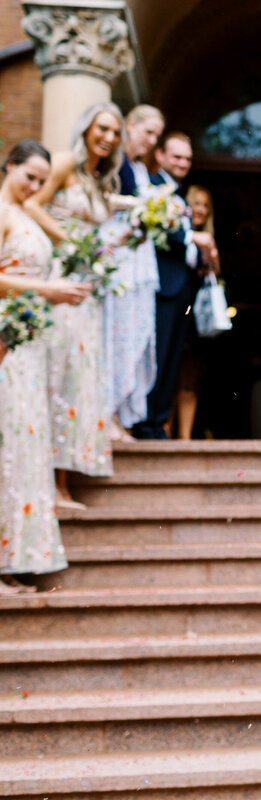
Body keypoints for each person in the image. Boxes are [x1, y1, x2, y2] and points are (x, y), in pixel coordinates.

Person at [0, 139, 92, 592]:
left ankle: (12, 558)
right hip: (6, 343)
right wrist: (47, 292)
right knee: (7, 445)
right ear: (9, 167)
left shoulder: (24, 215)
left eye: (42, 180)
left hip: (30, 345)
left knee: (23, 448)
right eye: (29, 177)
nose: (35, 186)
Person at [25, 102, 122, 505]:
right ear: (86, 128)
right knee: (56, 375)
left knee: (77, 380)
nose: (108, 137)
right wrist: (74, 242)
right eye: (102, 128)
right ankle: (47, 481)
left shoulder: (101, 180)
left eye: (115, 133)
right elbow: (31, 204)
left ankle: (62, 480)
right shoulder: (63, 163)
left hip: (87, 292)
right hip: (60, 282)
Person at [131, 132, 211, 439]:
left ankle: (157, 421)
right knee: (157, 353)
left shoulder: (179, 195)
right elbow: (155, 227)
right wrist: (192, 238)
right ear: (161, 155)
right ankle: (146, 421)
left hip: (181, 288)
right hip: (161, 287)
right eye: (177, 157)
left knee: (171, 355)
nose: (183, 163)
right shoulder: (151, 187)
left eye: (188, 158)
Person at [104, 104, 165, 441]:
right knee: (117, 333)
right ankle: (110, 414)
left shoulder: (141, 170)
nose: (152, 141)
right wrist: (140, 207)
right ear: (130, 125)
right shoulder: (114, 164)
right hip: (117, 255)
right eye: (148, 132)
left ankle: (124, 416)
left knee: (138, 336)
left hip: (140, 257)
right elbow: (100, 200)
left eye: (157, 136)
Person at [172, 184, 221, 439]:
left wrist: (210, 255)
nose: (200, 210)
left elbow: (216, 276)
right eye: (196, 204)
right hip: (174, 311)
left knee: (190, 379)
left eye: (205, 205)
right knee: (168, 372)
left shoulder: (209, 241)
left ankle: (185, 437)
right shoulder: (176, 237)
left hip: (196, 319)